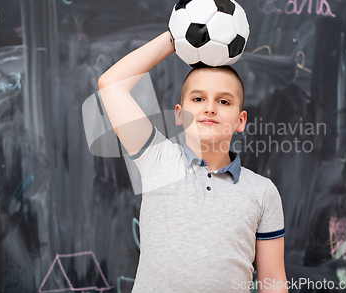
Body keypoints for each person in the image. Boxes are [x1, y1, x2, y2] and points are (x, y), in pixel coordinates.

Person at [98, 31, 287, 292]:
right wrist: (175, 38)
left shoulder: (263, 192)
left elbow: (273, 281)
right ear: (179, 114)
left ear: (241, 120)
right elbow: (111, 84)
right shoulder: (157, 159)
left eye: (223, 101)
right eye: (198, 99)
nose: (210, 108)